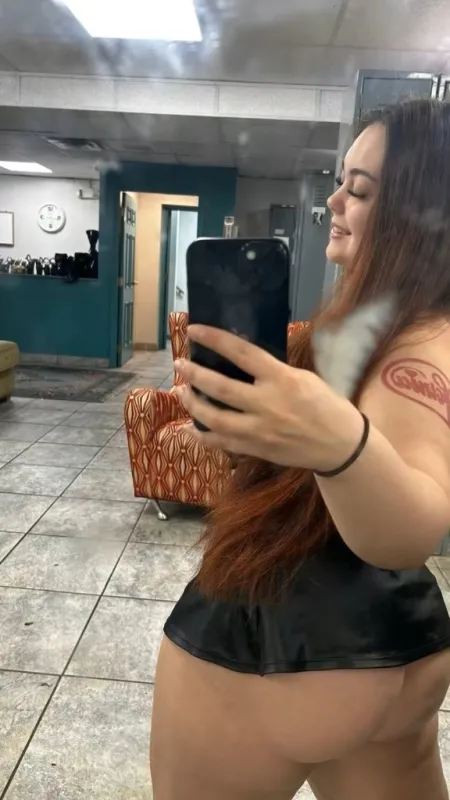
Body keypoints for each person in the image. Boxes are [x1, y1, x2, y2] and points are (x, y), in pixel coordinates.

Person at [150, 98, 450, 800]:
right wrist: (264, 439)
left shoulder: (418, 348)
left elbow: (412, 526)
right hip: (402, 647)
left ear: (421, 213)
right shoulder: (394, 325)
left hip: (277, 640)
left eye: (360, 191)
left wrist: (336, 443)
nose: (334, 202)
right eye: (341, 182)